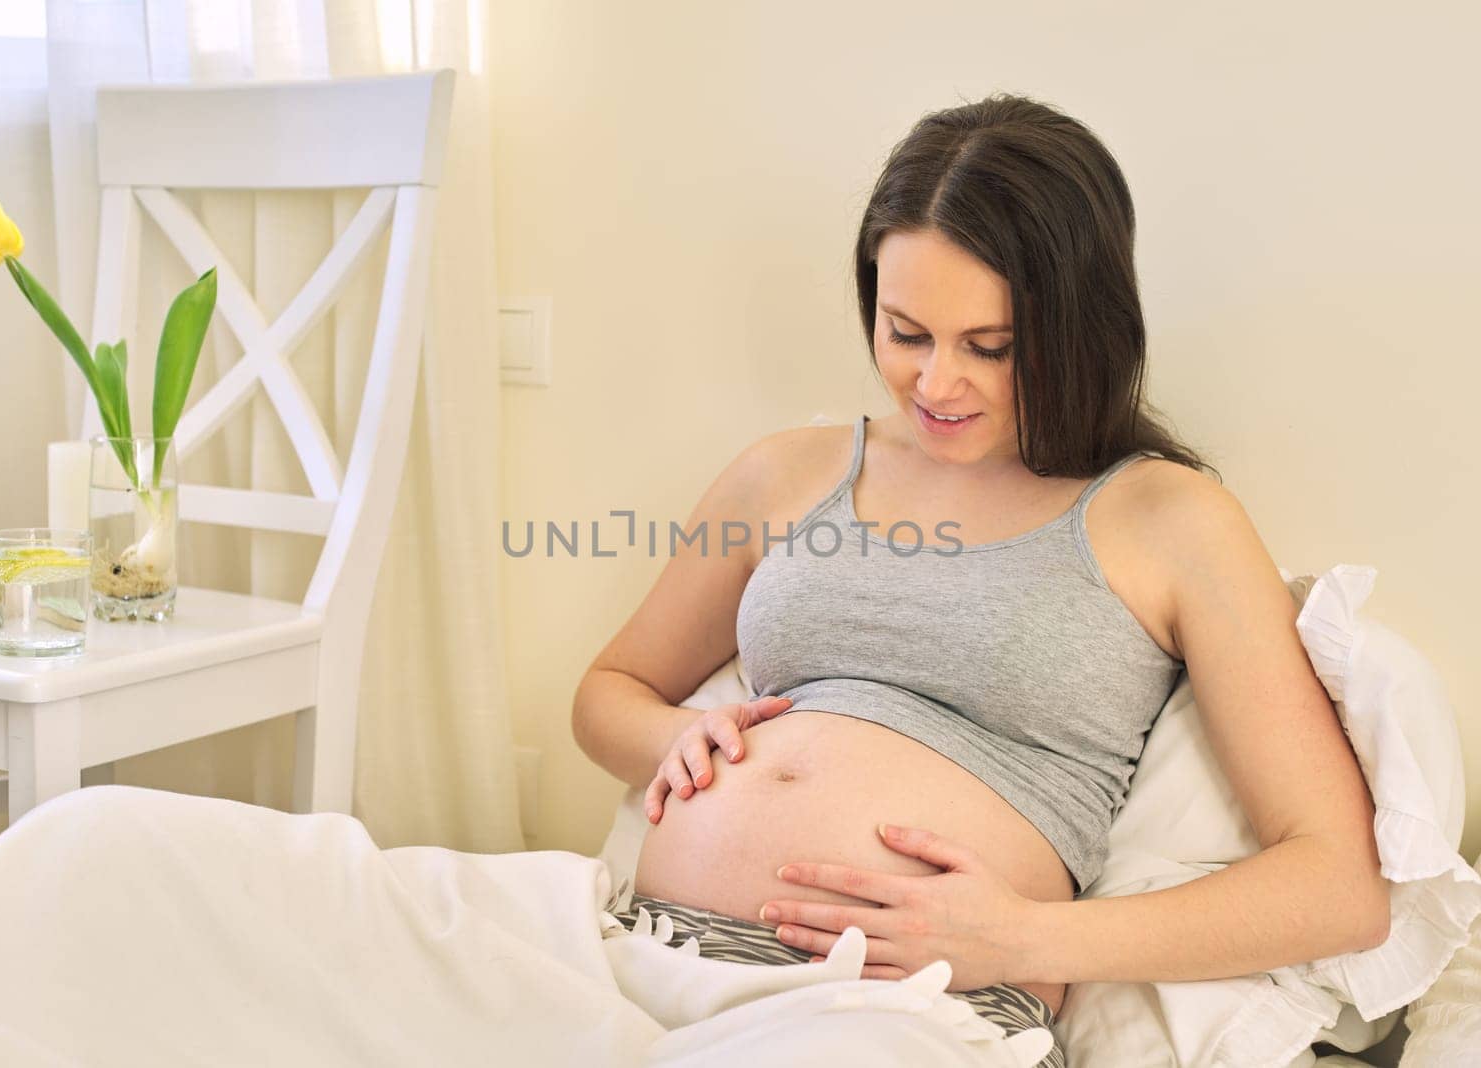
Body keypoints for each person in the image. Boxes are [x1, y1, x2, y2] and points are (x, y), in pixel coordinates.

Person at [571, 93, 1388, 1064]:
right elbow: (606, 695)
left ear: (1078, 329)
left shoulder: (1170, 522)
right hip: (638, 952)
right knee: (342, 887)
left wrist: (1029, 937)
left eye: (988, 348)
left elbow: (1338, 888)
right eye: (904, 332)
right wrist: (679, 736)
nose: (935, 385)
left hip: (891, 1011)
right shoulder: (787, 472)